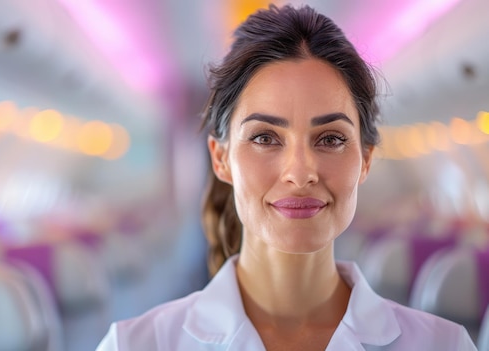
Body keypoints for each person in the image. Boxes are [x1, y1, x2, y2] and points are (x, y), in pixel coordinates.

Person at [96, 4, 477, 350]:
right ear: (221, 158)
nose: (299, 172)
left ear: (365, 159)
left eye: (330, 139)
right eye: (265, 138)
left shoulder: (445, 345)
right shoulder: (134, 344)